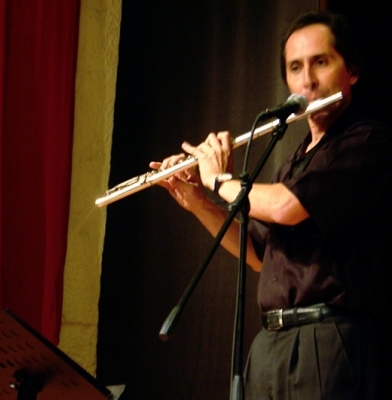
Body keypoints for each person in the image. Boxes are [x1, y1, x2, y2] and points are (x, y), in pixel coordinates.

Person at [149, 10, 392, 400]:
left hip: (326, 341)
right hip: (271, 344)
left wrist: (219, 179)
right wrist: (198, 200)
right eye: (295, 67)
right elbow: (259, 254)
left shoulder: (365, 142)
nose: (307, 79)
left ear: (352, 71)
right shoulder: (293, 160)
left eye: (321, 62)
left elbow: (286, 207)